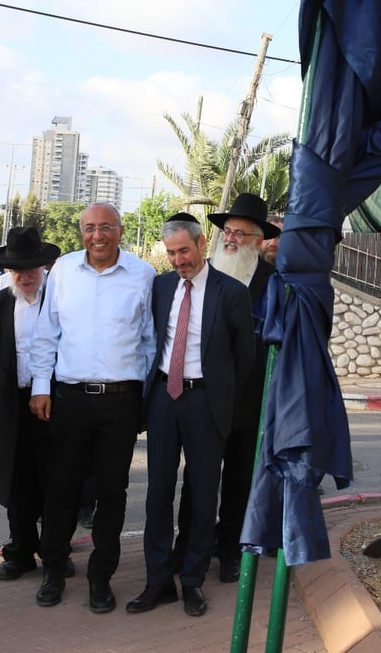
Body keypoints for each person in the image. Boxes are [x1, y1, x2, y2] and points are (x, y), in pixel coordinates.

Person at [29, 202, 155, 613]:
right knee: (60, 489)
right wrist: (41, 387)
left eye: (105, 227)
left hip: (121, 403)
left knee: (112, 494)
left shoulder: (143, 275)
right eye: (89, 228)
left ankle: (101, 578)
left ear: (120, 230)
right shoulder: (62, 270)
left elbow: (150, 341)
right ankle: (52, 570)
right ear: (80, 231)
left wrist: (146, 399)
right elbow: (46, 332)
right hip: (70, 398)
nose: (97, 236)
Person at [126, 214, 253, 618]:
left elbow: (244, 359)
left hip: (205, 403)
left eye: (184, 250)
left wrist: (221, 399)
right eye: (171, 253)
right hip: (165, 397)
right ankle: (158, 581)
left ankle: (193, 581)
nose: (178, 260)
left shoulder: (231, 292)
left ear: (201, 243)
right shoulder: (161, 286)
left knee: (202, 495)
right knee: (157, 494)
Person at [174, 193, 280, 582]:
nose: (232, 238)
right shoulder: (203, 274)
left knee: (238, 480)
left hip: (249, 401)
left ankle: (229, 549)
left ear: (258, 241)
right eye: (228, 231)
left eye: (242, 233)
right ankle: (185, 547)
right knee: (198, 480)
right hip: (202, 397)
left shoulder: (272, 284)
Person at [0, 226, 63, 581]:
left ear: (44, 268)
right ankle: (20, 550)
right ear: (8, 272)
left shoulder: (59, 303)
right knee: (15, 479)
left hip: (53, 403)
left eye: (32, 269)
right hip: (10, 403)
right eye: (18, 270)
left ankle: (55, 549)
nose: (25, 276)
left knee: (54, 478)